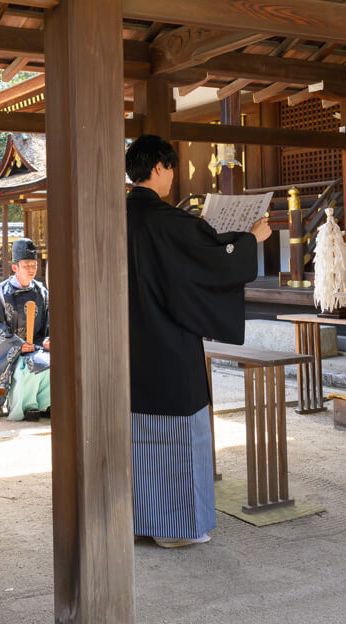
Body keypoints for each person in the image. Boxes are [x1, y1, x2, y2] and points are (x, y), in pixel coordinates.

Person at [124, 134, 271, 548]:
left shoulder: (110, 216)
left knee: (130, 433)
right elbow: (211, 263)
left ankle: (134, 519)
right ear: (158, 169)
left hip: (121, 349)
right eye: (171, 168)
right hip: (168, 347)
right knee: (177, 433)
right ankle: (173, 529)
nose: (172, 176)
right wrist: (251, 239)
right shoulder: (170, 222)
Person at [0, 238, 52, 421]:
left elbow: (50, 322)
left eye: (34, 265)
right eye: (26, 265)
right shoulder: (3, 294)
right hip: (9, 349)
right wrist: (19, 345)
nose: (31, 269)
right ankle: (24, 408)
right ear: (15, 268)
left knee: (51, 363)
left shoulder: (42, 292)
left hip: (36, 346)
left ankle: (44, 405)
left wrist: (49, 339)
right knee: (27, 367)